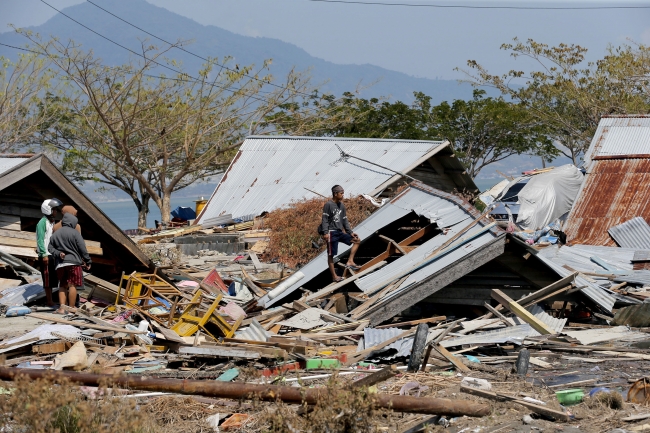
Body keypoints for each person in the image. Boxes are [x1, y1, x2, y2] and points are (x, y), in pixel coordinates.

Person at [48, 213, 91, 314]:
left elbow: (50, 248)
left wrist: (58, 253)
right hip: (74, 263)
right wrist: (88, 260)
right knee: (72, 285)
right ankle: (71, 308)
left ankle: (62, 309)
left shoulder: (55, 234)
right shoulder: (75, 233)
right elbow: (82, 248)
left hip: (60, 264)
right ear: (73, 223)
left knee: (62, 285)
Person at [318, 185, 361, 282]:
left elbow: (345, 220)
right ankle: (334, 276)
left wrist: (350, 232)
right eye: (341, 193)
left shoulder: (342, 206)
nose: (342, 195)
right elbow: (324, 219)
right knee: (331, 255)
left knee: (357, 240)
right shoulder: (328, 205)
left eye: (343, 193)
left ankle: (350, 261)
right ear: (335, 193)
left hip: (339, 231)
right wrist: (325, 232)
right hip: (331, 232)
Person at [36, 198, 63, 307]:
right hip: (46, 254)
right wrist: (43, 254)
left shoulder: (51, 222)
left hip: (52, 254)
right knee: (47, 279)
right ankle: (49, 300)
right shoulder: (42, 222)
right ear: (48, 210)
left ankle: (53, 299)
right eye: (54, 210)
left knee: (53, 278)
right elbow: (40, 239)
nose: (56, 212)